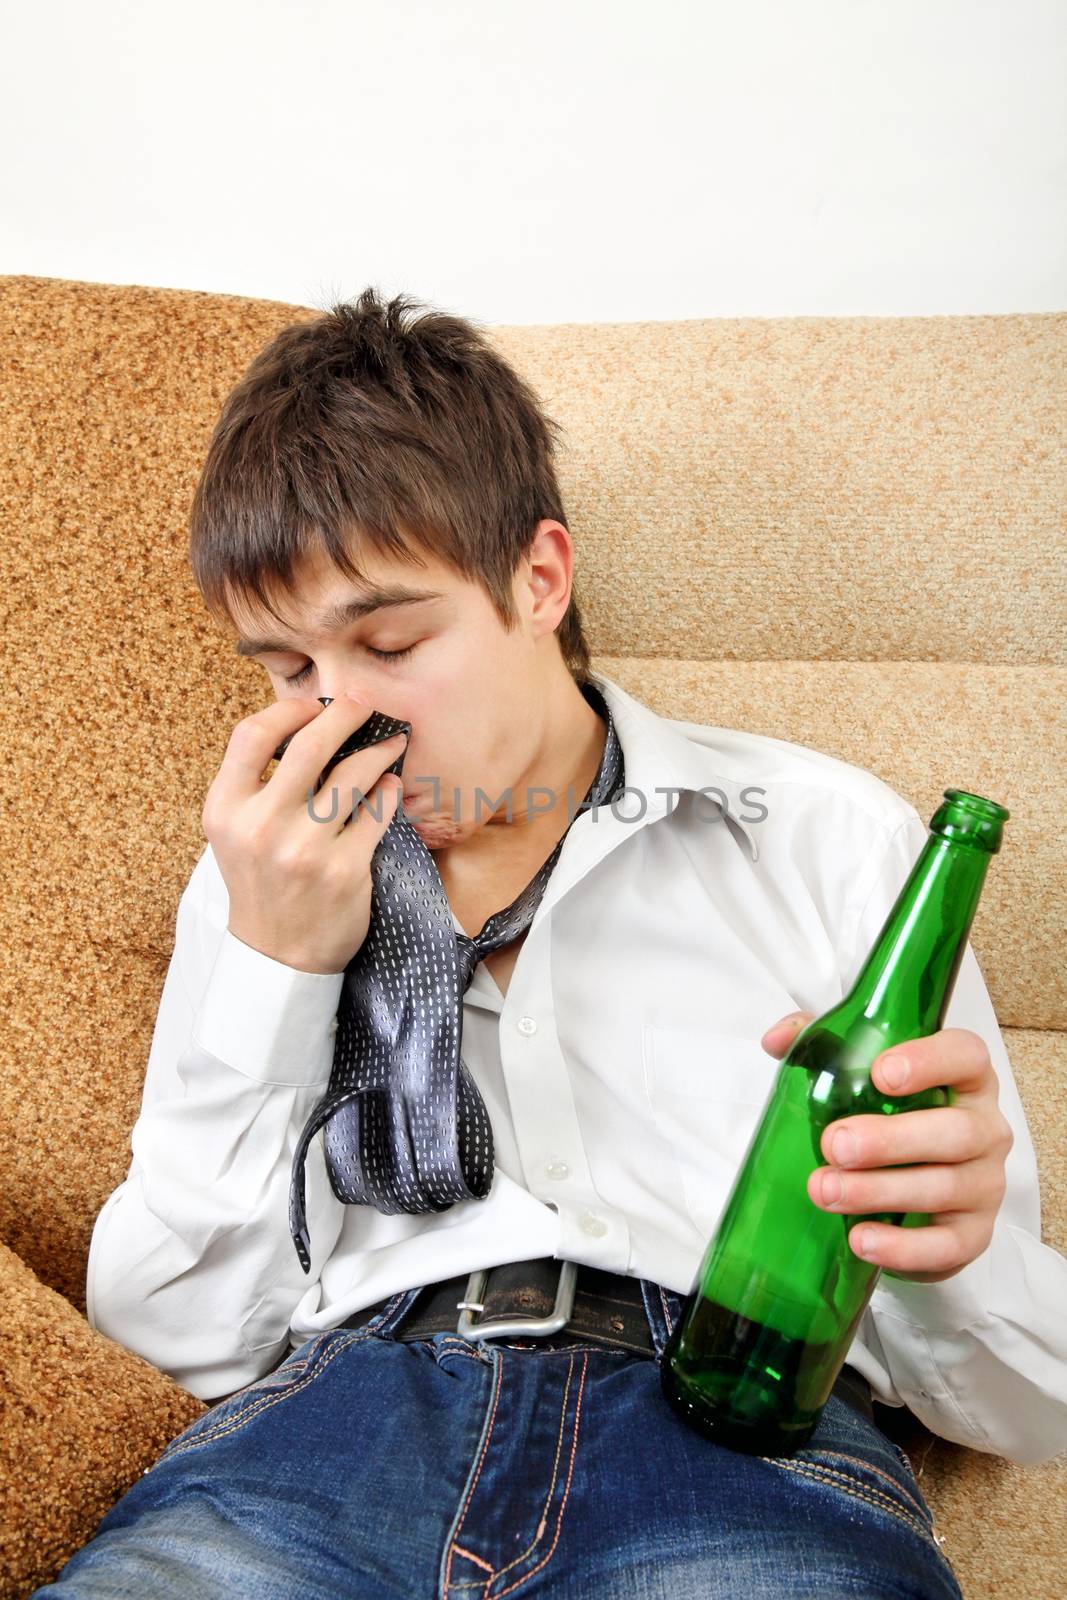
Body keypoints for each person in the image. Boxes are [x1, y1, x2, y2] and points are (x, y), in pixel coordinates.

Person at [37, 290, 1066, 1599]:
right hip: (334, 1439)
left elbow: (1031, 1412)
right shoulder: (266, 871)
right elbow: (177, 1333)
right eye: (287, 669)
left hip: (731, 1446)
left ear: (539, 578)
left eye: (390, 641)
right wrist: (276, 967)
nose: (334, 713)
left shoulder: (831, 845)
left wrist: (955, 1254)